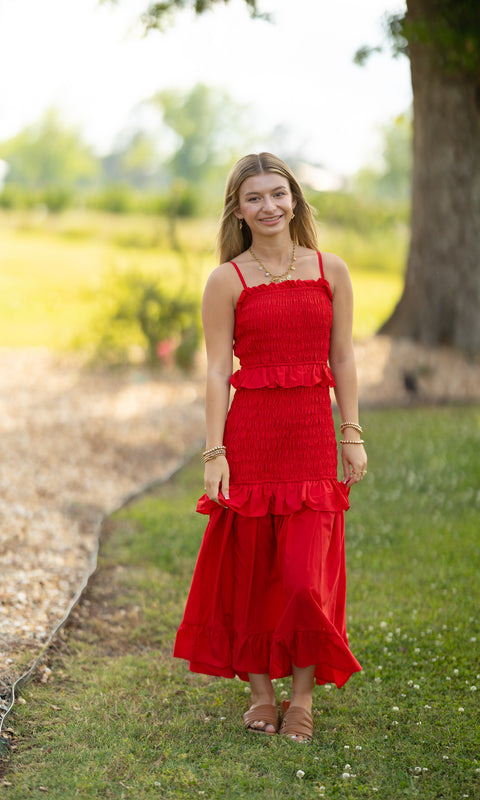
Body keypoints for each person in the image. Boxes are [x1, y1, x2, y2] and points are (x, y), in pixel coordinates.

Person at [174, 152, 367, 742]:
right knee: (252, 572)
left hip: (310, 439)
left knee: (307, 578)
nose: (269, 207)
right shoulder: (226, 280)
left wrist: (351, 433)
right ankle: (261, 696)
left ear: (296, 200)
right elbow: (214, 372)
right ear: (237, 208)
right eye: (254, 197)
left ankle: (302, 699)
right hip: (251, 439)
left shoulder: (330, 270)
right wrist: (215, 453)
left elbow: (344, 358)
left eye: (278, 194)